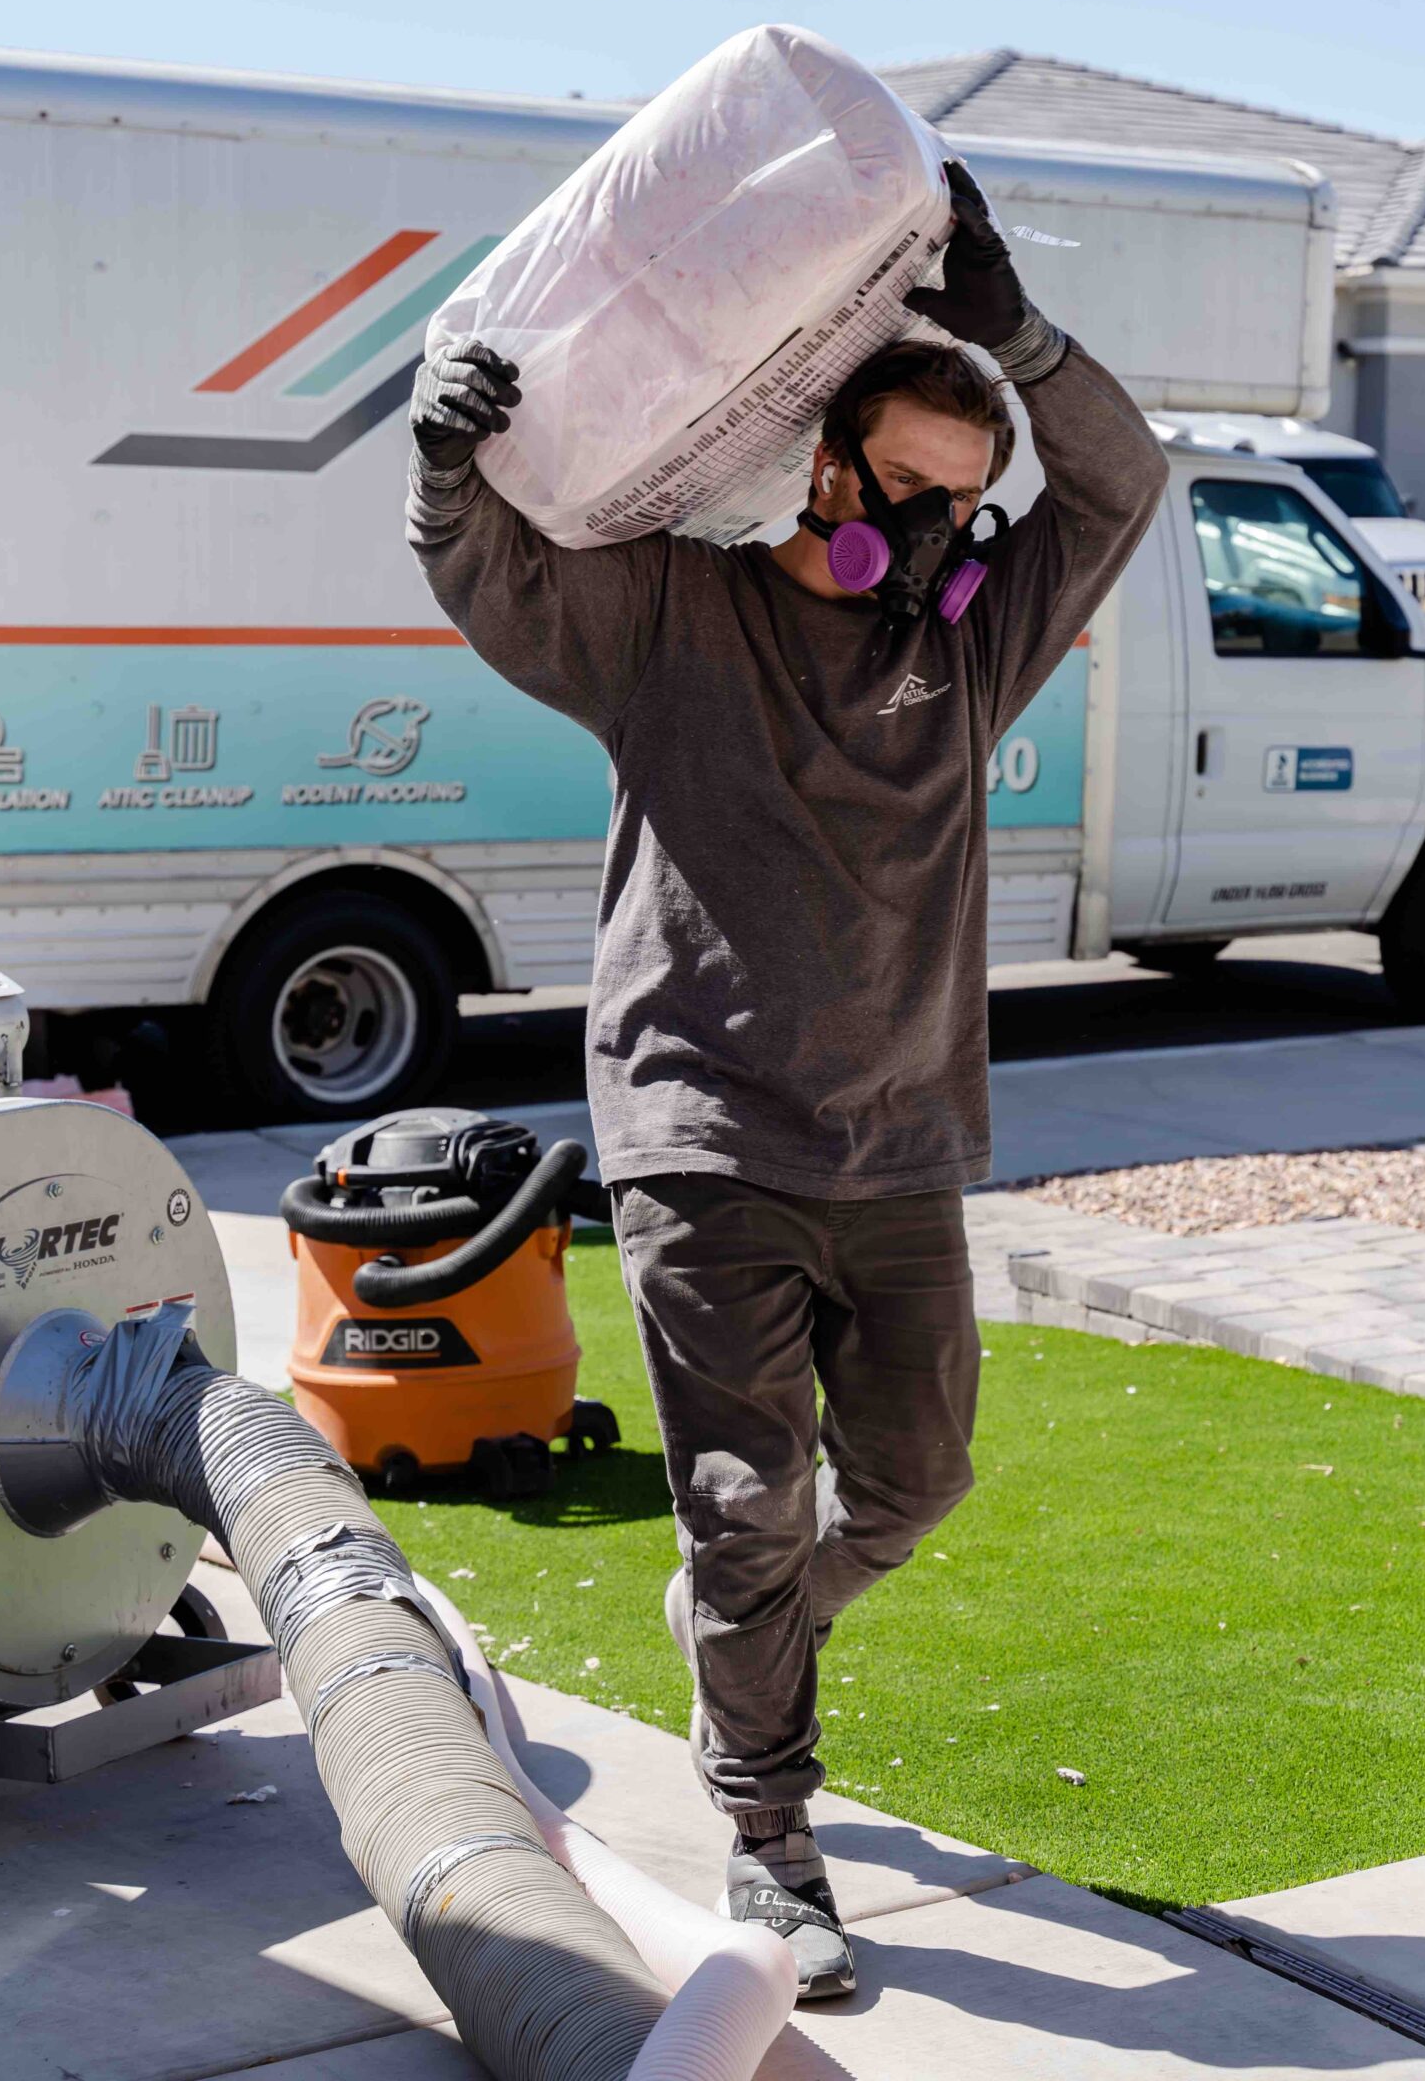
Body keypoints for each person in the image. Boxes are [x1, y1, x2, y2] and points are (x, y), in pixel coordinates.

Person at [406, 162, 1168, 2000]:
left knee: (911, 1482)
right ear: (825, 464)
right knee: (749, 1498)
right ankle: (769, 1838)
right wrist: (442, 465)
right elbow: (494, 574)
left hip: (901, 1139)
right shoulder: (675, 614)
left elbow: (1127, 484)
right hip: (704, 1127)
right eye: (908, 492)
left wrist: (1015, 334)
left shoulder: (971, 654)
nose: (935, 538)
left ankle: (740, 1623)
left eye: (967, 511)